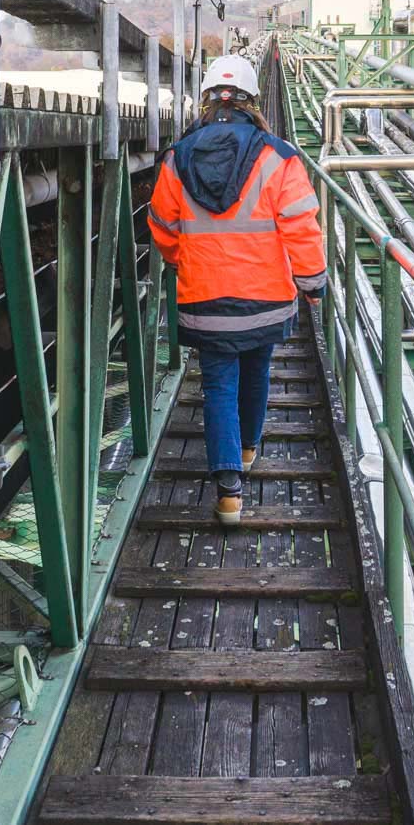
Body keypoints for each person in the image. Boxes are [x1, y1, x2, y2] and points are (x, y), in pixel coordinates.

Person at [147, 55, 327, 525]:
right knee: (257, 371)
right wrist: (312, 284)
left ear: (207, 100)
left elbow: (163, 226)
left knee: (217, 384)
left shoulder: (177, 158)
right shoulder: (279, 157)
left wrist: (180, 260)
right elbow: (301, 227)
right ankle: (247, 451)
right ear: (252, 101)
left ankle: (229, 493)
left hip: (205, 298)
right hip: (266, 298)